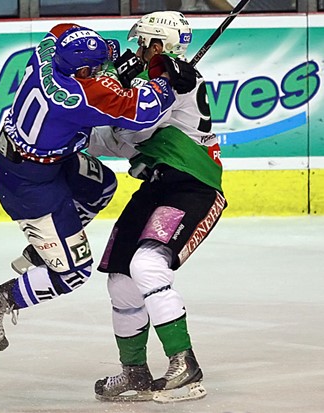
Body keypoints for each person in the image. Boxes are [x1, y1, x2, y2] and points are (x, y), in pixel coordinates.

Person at [0, 23, 184, 358]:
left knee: (102, 186)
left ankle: (42, 250)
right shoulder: (78, 98)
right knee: (74, 273)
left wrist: (109, 58)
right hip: (30, 185)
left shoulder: (47, 53)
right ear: (80, 71)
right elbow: (144, 110)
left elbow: (62, 30)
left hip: (42, 159)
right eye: (92, 68)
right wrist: (165, 80)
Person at [88, 11, 226, 403]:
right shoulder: (147, 84)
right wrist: (65, 133)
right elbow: (117, 141)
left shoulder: (179, 79)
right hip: (156, 187)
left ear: (154, 45)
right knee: (120, 280)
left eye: (141, 43)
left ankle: (184, 362)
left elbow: (138, 127)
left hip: (191, 187)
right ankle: (134, 372)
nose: (135, 49)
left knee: (147, 265)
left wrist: (134, 84)